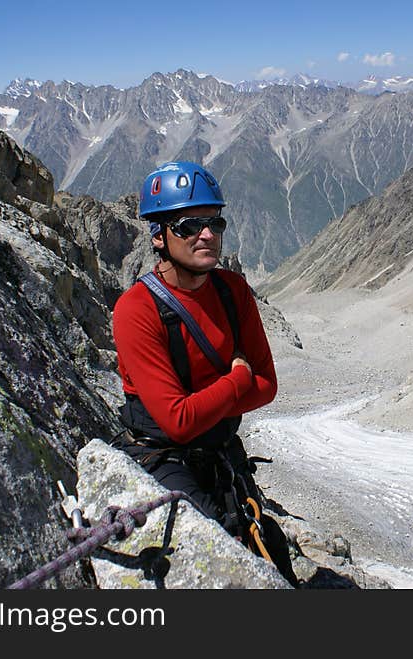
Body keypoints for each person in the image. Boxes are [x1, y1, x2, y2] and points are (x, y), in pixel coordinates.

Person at [111, 161, 298, 586]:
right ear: (158, 235)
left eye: (215, 222)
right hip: (163, 458)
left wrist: (210, 400)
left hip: (218, 451)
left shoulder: (233, 291)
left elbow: (266, 386)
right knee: (218, 552)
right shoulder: (136, 311)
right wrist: (235, 380)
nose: (207, 235)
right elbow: (177, 422)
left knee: (269, 549)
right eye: (189, 226)